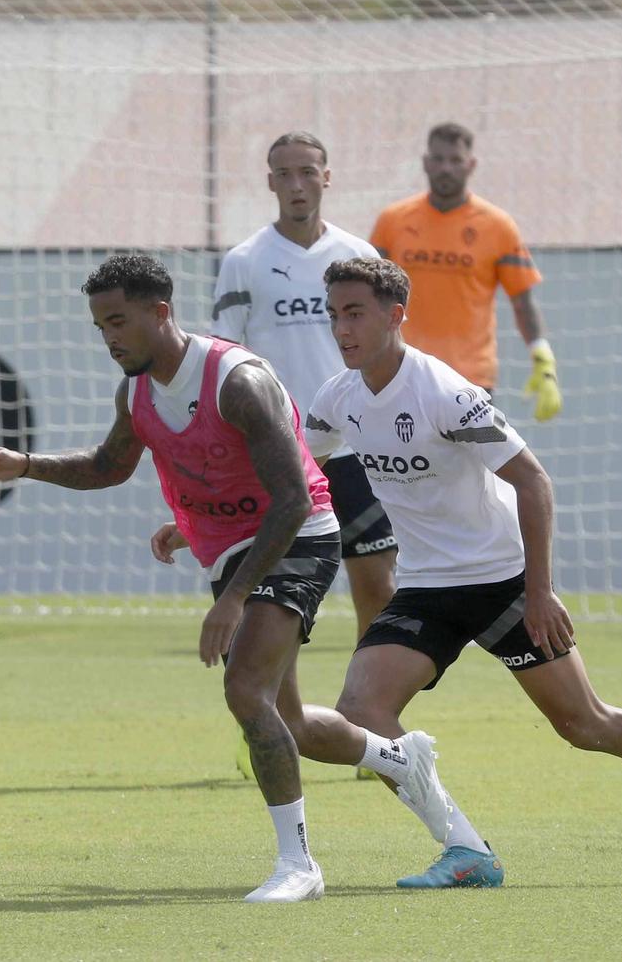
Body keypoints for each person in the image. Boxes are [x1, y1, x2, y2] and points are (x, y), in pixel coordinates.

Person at [0, 253, 464, 903]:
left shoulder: (236, 380)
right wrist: (25, 464)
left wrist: (232, 599)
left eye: (119, 320)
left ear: (160, 312)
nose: (110, 337)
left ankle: (299, 865)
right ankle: (399, 757)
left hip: (300, 534)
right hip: (232, 549)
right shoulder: (137, 392)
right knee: (291, 721)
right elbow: (109, 465)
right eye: (100, 325)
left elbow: (291, 496)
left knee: (245, 689)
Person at [308, 256, 622, 887]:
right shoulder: (335, 399)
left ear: (396, 315)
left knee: (585, 724)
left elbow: (533, 481)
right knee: (364, 710)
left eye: (355, 313)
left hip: (503, 579)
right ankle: (467, 851)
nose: (342, 329)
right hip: (425, 586)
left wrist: (539, 591)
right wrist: (202, 524)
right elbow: (294, 476)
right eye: (334, 314)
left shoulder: (445, 392)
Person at [213, 131, 400, 782]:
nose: (297, 183)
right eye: (283, 173)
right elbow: (226, 360)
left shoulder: (357, 254)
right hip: (279, 457)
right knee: (276, 600)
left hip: (352, 450)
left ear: (327, 176)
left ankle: (372, 721)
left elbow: (382, 351)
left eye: (307, 172)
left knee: (377, 588)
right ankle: (265, 721)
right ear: (270, 181)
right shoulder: (244, 261)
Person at [368, 122, 562, 420]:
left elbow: (521, 300)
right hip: (400, 371)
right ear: (425, 163)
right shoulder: (392, 221)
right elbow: (369, 293)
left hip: (471, 378)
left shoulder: (498, 226)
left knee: (474, 466)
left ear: (471, 165)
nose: (446, 168)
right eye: (439, 159)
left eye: (455, 160)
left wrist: (542, 356)